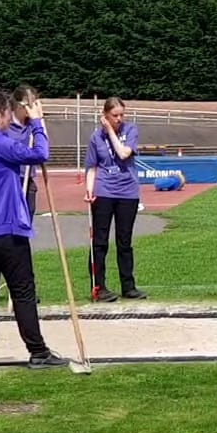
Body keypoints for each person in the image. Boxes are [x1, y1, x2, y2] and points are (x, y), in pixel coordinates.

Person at [0, 89, 69, 376]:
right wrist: (37, 123)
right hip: (5, 229)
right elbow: (40, 153)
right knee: (22, 290)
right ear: (0, 115)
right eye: (8, 113)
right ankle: (38, 351)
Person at [84, 96, 146, 301]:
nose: (119, 119)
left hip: (127, 192)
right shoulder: (95, 137)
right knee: (100, 242)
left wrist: (110, 131)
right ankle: (98, 287)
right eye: (114, 115)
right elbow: (92, 167)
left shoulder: (130, 131)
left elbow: (123, 153)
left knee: (124, 241)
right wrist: (89, 190)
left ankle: (128, 286)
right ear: (105, 115)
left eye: (121, 115)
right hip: (104, 191)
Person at [8, 85, 50, 222]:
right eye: (29, 105)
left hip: (28, 180)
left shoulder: (33, 124)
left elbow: (44, 148)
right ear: (19, 106)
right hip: (10, 180)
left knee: (27, 221)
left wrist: (39, 119)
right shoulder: (6, 124)